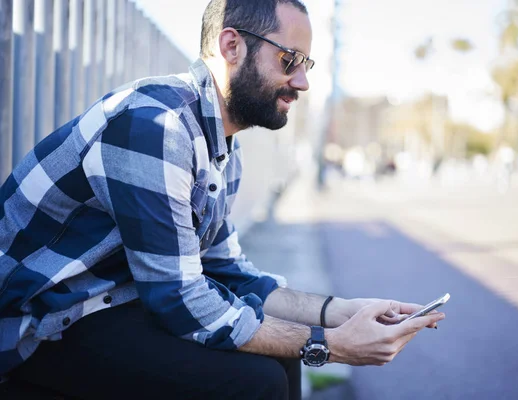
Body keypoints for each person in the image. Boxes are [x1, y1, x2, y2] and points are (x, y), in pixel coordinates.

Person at [0, 1, 445, 399]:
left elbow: (229, 272)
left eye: (306, 63)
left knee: (282, 354)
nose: (303, 81)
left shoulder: (220, 148)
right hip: (38, 320)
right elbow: (178, 300)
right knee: (259, 380)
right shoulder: (154, 126)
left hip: (108, 303)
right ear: (231, 45)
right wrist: (329, 345)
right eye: (289, 59)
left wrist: (342, 313)